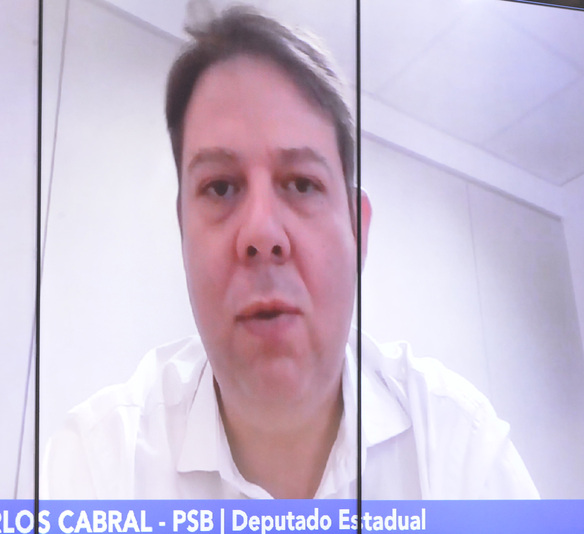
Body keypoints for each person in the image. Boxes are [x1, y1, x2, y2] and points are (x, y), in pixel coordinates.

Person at [41, 6, 538, 500]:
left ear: (357, 232)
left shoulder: (462, 454)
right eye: (220, 188)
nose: (261, 233)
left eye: (301, 183)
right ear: (183, 233)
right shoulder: (98, 465)